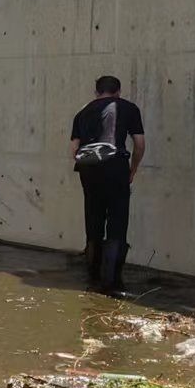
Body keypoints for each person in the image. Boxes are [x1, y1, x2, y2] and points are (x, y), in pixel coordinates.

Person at [70, 75, 146, 294]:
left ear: (96, 92)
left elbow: (74, 150)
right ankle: (111, 283)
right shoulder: (129, 108)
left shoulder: (82, 113)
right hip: (116, 169)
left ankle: (92, 277)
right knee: (117, 223)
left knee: (93, 220)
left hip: (88, 170)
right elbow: (139, 144)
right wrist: (133, 169)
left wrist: (88, 168)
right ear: (118, 91)